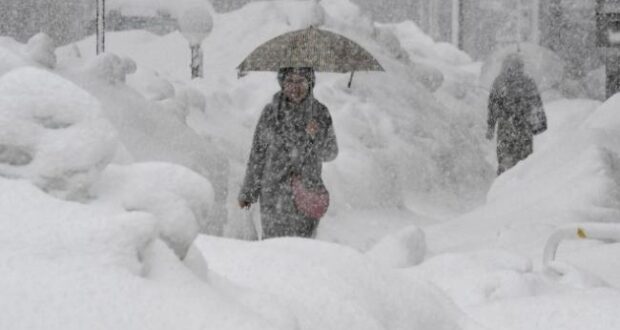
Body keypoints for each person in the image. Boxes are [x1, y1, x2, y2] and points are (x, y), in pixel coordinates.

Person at [238, 67, 338, 239]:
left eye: (300, 81)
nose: (295, 86)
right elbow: (257, 154)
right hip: (274, 195)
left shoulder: (320, 113)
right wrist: (249, 191)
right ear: (282, 83)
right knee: (274, 249)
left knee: (303, 250)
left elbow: (331, 153)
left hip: (306, 192)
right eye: (289, 81)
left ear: (310, 83)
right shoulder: (270, 113)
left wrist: (316, 136)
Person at [486, 53, 546, 175]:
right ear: (521, 66)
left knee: (505, 161)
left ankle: (504, 185)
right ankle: (521, 186)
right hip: (524, 129)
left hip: (505, 129)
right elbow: (536, 105)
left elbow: (493, 106)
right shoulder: (528, 82)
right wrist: (539, 125)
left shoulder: (499, 82)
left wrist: (491, 127)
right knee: (524, 162)